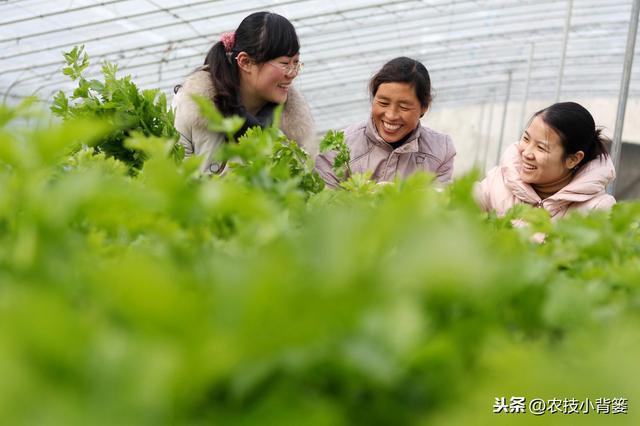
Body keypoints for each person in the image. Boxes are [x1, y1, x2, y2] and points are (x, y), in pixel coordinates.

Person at [172, 11, 314, 175]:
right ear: (245, 62)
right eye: (285, 63)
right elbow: (172, 180)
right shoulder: (191, 106)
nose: (293, 73)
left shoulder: (291, 130)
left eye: (296, 63)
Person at [315, 57, 455, 188]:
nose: (391, 115)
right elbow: (324, 204)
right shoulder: (339, 146)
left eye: (404, 107)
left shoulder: (440, 150)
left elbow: (439, 207)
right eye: (383, 103)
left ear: (424, 107)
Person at [476, 102, 616, 219]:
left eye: (541, 148)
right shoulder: (497, 182)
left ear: (573, 159)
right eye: (526, 139)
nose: (526, 153)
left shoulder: (597, 209)